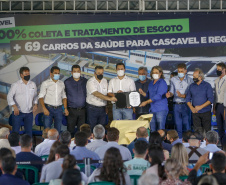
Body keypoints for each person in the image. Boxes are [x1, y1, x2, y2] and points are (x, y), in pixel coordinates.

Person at [7, 67, 38, 136]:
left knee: (29, 132)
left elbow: (35, 96)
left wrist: (35, 104)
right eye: (26, 74)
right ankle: (15, 146)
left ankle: (29, 146)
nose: (28, 75)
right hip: (18, 112)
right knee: (15, 132)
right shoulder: (15, 85)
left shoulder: (33, 84)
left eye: (28, 73)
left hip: (29, 113)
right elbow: (9, 96)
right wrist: (14, 106)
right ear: (21, 75)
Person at [166, 63, 193, 138]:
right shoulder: (173, 79)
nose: (180, 73)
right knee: (178, 126)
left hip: (186, 105)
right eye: (178, 71)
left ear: (185, 71)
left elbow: (191, 94)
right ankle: (179, 143)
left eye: (181, 71)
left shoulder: (190, 80)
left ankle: (188, 144)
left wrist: (182, 96)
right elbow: (172, 91)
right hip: (176, 105)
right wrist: (169, 94)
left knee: (187, 126)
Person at [39, 66, 69, 133]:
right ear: (51, 73)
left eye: (58, 73)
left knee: (57, 130)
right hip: (48, 108)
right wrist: (44, 108)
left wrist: (65, 108)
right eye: (55, 73)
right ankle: (46, 143)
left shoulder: (61, 83)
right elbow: (41, 97)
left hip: (59, 109)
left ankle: (56, 143)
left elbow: (64, 97)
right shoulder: (45, 83)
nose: (57, 75)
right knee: (47, 130)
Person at [86, 66, 117, 130]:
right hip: (92, 108)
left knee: (102, 128)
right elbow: (96, 94)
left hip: (103, 109)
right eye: (99, 73)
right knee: (92, 128)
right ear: (95, 73)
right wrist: (110, 99)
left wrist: (106, 106)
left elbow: (106, 93)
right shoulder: (90, 82)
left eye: (102, 73)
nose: (100, 74)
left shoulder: (105, 81)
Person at [139, 66, 168, 131]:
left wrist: (146, 102)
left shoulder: (162, 82)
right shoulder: (151, 83)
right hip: (152, 109)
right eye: (153, 72)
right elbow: (149, 95)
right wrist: (143, 93)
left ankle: (161, 141)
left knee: (160, 129)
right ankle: (153, 141)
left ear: (160, 73)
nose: (154, 74)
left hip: (160, 109)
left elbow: (158, 96)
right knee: (152, 129)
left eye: (156, 72)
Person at [186, 68, 214, 133]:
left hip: (206, 112)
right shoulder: (191, 86)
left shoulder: (207, 85)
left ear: (200, 77)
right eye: (193, 76)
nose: (193, 78)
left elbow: (210, 100)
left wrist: (200, 107)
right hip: (195, 113)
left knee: (207, 131)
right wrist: (191, 108)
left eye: (195, 76)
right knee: (197, 132)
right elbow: (187, 99)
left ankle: (207, 143)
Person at [64, 64, 87, 137]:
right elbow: (63, 96)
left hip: (83, 110)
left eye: (78, 71)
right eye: (74, 71)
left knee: (81, 131)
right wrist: (64, 108)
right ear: (71, 72)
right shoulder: (66, 82)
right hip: (71, 110)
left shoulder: (85, 81)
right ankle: (70, 146)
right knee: (70, 130)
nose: (76, 73)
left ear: (80, 72)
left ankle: (80, 146)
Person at [214, 63, 226, 142]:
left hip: (225, 106)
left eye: (219, 70)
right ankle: (222, 146)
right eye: (217, 69)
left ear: (224, 70)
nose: (218, 71)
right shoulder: (216, 80)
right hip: (218, 106)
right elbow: (215, 94)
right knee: (220, 127)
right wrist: (214, 107)